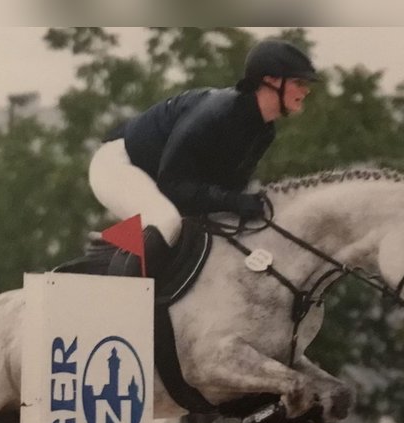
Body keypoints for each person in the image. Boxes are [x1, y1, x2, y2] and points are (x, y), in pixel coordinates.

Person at [88, 38, 318, 282]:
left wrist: (240, 203)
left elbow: (223, 189)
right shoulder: (215, 113)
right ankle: (125, 304)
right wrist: (233, 201)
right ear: (271, 81)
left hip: (159, 180)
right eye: (299, 82)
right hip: (118, 165)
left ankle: (114, 249)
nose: (306, 91)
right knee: (165, 221)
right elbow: (173, 184)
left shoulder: (264, 131)